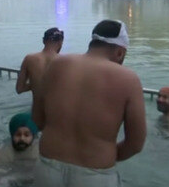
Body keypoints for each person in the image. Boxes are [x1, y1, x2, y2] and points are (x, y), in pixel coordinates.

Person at [32, 19, 146, 187]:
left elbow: (37, 120)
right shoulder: (129, 79)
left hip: (48, 168)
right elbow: (135, 144)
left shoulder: (57, 64)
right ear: (120, 52)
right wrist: (104, 154)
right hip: (95, 175)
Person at [15, 27, 63, 95]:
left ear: (43, 41)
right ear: (60, 42)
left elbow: (19, 89)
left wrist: (36, 83)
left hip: (37, 105)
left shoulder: (29, 59)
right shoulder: (65, 61)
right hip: (57, 105)